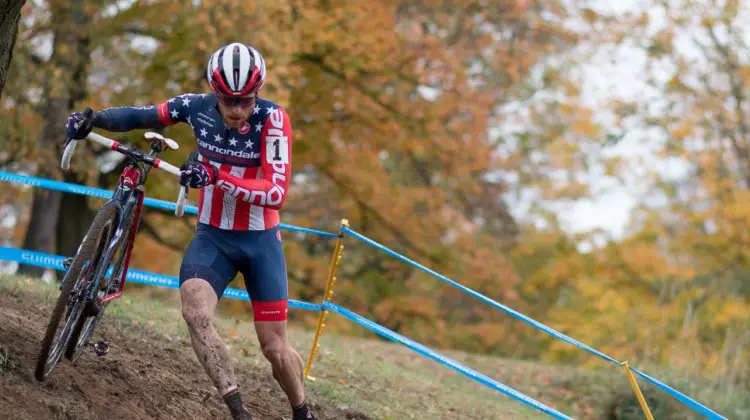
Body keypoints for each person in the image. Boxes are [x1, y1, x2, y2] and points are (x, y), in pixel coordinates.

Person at [65, 42, 315, 420]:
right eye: (228, 100)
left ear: (257, 93)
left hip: (260, 241)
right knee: (195, 314)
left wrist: (218, 176)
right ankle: (238, 409)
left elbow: (276, 192)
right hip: (214, 236)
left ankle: (302, 412)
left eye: (246, 101)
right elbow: (143, 116)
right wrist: (93, 119)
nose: (236, 110)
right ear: (214, 92)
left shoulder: (273, 120)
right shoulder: (195, 107)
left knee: (275, 349)